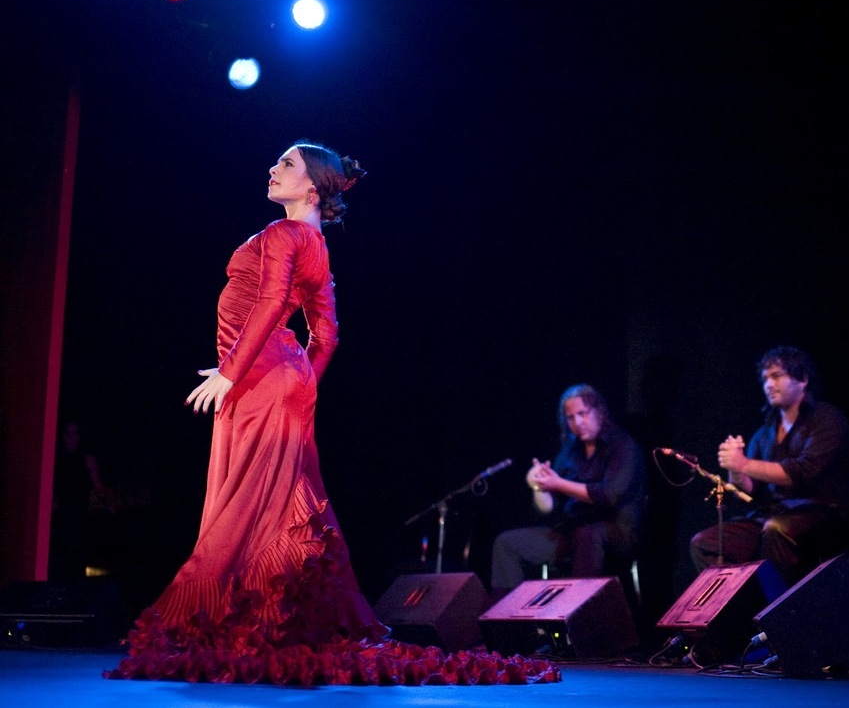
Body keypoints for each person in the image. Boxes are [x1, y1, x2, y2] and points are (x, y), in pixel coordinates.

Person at [105, 142, 559, 686]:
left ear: (313, 187)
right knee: (277, 505)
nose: (272, 169)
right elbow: (328, 335)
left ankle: (229, 614)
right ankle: (275, 614)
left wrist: (238, 372)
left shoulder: (285, 235)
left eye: (287, 165)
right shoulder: (315, 242)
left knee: (247, 504)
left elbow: (273, 304)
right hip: (274, 378)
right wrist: (294, 385)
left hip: (259, 377)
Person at [689, 346, 849, 589]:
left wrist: (745, 463)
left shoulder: (826, 419)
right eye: (765, 379)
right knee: (705, 542)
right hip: (775, 514)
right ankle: (737, 615)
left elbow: (803, 471)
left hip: (824, 513)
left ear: (802, 380)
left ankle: (781, 616)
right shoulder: (765, 432)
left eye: (777, 376)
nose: (768, 384)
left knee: (776, 530)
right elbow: (749, 490)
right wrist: (736, 468)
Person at [491, 384, 646, 601]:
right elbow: (550, 506)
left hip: (617, 532)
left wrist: (558, 483)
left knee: (589, 534)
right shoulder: (571, 451)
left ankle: (575, 614)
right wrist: (540, 484)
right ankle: (506, 618)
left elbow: (609, 495)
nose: (578, 422)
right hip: (571, 532)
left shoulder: (622, 445)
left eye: (582, 413)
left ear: (599, 412)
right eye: (571, 417)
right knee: (507, 542)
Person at [50, 420, 117, 580]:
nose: (71, 438)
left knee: (76, 563)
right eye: (68, 433)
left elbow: (98, 487)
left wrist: (111, 506)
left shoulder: (86, 459)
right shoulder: (54, 458)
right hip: (59, 520)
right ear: (62, 435)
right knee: (59, 563)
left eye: (75, 433)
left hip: (78, 519)